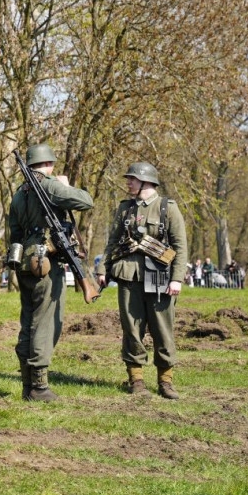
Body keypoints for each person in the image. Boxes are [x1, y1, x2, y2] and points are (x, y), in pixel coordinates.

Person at [8, 143, 93, 402]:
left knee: (29, 321)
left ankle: (27, 384)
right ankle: (39, 387)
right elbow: (86, 201)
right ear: (49, 164)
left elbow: (15, 232)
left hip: (25, 262)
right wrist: (64, 185)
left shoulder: (20, 194)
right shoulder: (49, 186)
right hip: (46, 263)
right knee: (45, 323)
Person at [97, 162, 188, 400]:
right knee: (131, 330)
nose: (128, 182)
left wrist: (177, 279)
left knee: (163, 330)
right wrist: (102, 269)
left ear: (146, 182)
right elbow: (113, 240)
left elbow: (180, 246)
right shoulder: (125, 208)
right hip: (129, 277)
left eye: (132, 179)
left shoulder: (167, 208)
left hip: (160, 278)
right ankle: (136, 379)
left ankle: (165, 381)